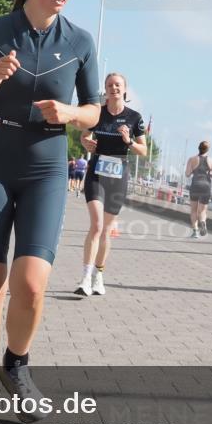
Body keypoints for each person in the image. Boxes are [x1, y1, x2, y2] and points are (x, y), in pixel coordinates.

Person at [0, 0, 101, 424]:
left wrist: (72, 113)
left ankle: (16, 366)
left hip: (46, 166)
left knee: (32, 285)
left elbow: (95, 110)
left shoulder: (80, 42)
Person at [76, 72, 147, 296]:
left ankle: (99, 275)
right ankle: (85, 278)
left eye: (117, 85)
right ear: (105, 89)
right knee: (96, 225)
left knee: (106, 230)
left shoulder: (134, 117)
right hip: (97, 171)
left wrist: (128, 141)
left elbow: (143, 151)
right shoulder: (97, 113)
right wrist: (87, 143)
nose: (113, 88)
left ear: (124, 89)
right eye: (109, 85)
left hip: (119, 174)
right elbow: (84, 136)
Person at [185, 141, 212, 238]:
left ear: (198, 148)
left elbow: (187, 174)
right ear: (208, 150)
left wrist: (193, 171)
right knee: (203, 211)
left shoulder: (192, 159)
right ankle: (203, 222)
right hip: (206, 186)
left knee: (194, 210)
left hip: (195, 185)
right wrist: (208, 174)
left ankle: (195, 231)